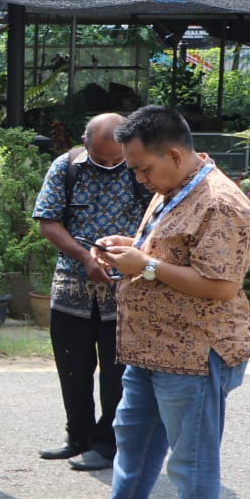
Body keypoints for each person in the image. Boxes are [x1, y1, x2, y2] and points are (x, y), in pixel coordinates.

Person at [55, 106, 250, 499]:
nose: (140, 179)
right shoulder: (175, 186)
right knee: (133, 442)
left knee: (190, 463)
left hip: (195, 354)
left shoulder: (223, 204)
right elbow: (171, 252)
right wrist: (134, 246)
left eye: (143, 169)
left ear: (174, 153)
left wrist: (143, 265)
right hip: (151, 348)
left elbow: (221, 286)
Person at [31, 113, 147, 471]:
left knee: (117, 374)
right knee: (73, 367)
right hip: (71, 285)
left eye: (118, 158)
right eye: (103, 158)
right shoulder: (65, 168)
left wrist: (128, 253)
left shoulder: (142, 170)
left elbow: (159, 222)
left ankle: (108, 444)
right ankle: (77, 436)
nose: (112, 164)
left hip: (126, 290)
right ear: (85, 144)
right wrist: (84, 256)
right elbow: (47, 219)